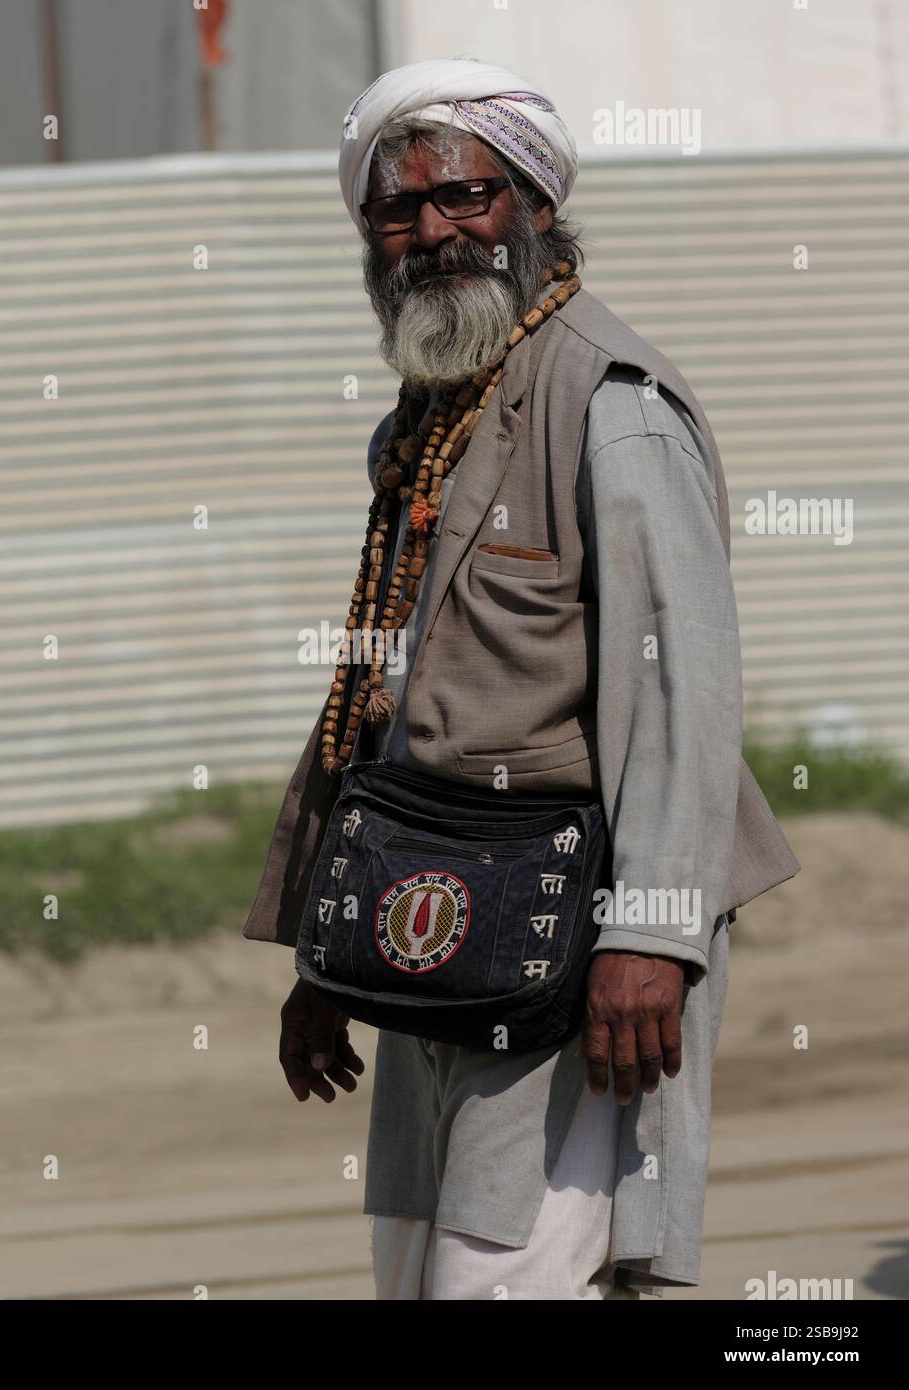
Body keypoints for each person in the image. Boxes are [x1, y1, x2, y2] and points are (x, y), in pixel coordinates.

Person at [242, 59, 798, 1300]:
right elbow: (374, 698)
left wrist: (650, 934)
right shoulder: (426, 417)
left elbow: (682, 699)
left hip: (580, 942)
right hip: (433, 930)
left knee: (515, 1280)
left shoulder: (613, 404)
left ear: (536, 205)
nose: (436, 232)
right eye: (401, 210)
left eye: (468, 198)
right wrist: (327, 957)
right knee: (415, 1267)